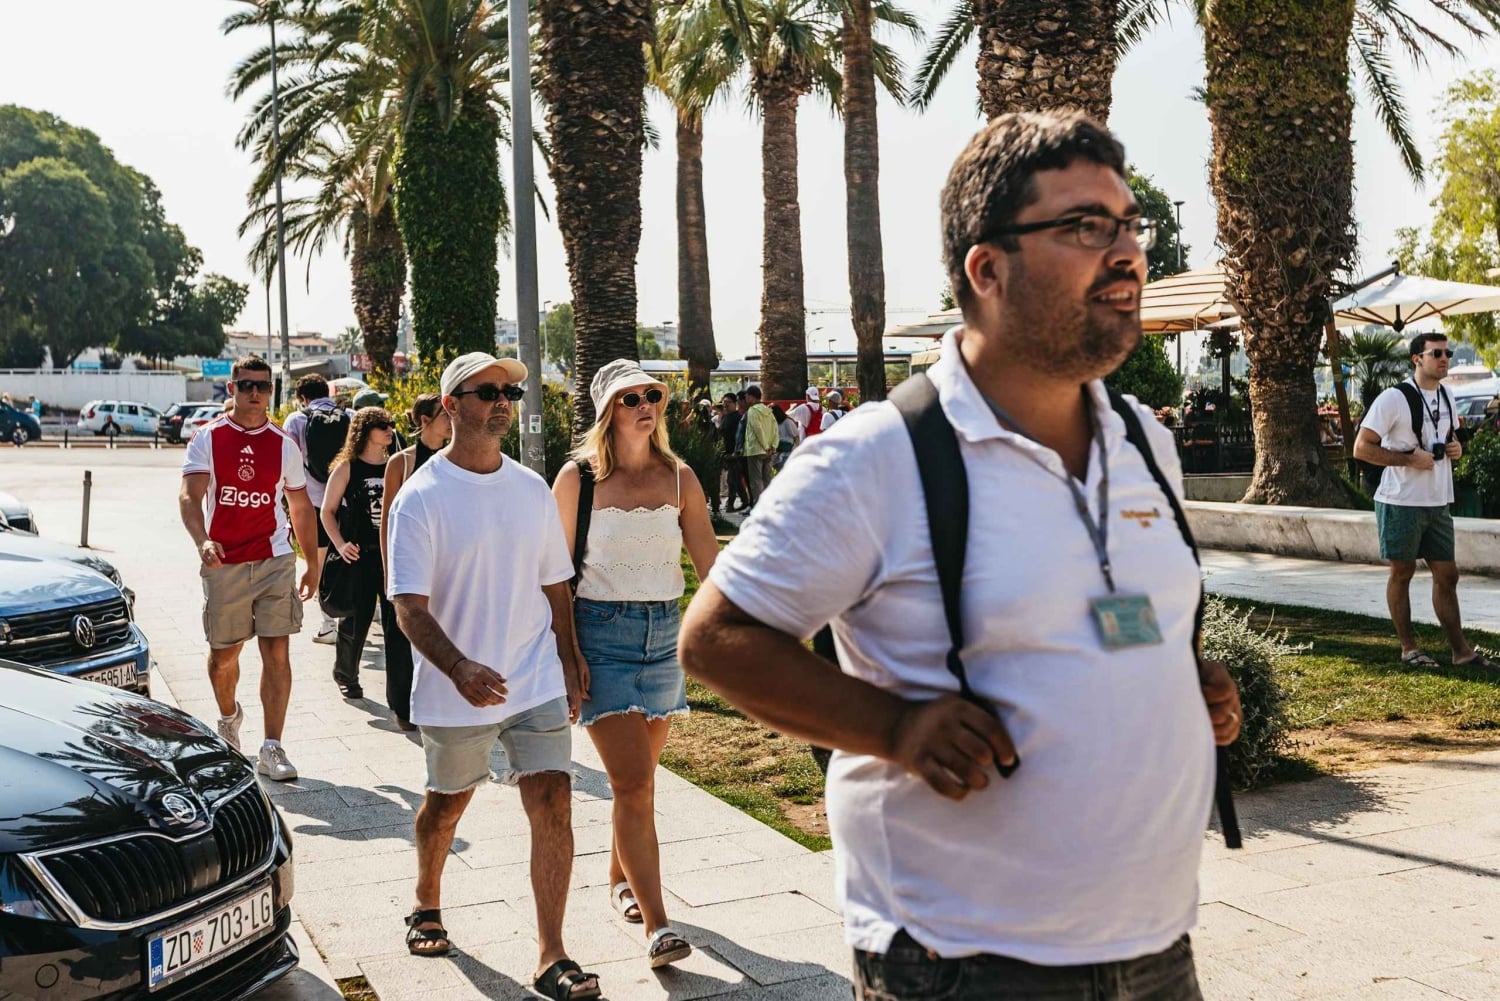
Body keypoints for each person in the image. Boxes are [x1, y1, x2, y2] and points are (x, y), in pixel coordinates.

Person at [679, 111, 1243, 1000]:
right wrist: (895, 729)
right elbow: (715, 639)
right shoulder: (880, 456)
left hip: (1158, 947)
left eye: (1129, 224)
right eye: (1084, 227)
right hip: (964, 959)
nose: (1128, 252)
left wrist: (1177, 678)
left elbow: (1097, 614)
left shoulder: (1145, 441)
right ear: (988, 268)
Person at [387, 352, 598, 999]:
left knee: (554, 800)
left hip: (532, 677)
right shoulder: (421, 498)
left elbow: (554, 583)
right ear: (451, 405)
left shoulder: (530, 488)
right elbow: (408, 608)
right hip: (458, 687)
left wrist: (568, 653)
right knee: (448, 805)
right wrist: (458, 666)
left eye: (509, 391)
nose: (503, 400)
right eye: (488, 391)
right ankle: (427, 900)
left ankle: (552, 954)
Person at [551, 360, 719, 969]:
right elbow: (553, 577)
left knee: (639, 783)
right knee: (632, 783)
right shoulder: (578, 480)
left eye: (653, 394)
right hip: (601, 637)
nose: (645, 404)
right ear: (607, 411)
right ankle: (658, 925)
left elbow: (710, 569)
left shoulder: (680, 478)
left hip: (665, 637)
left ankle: (620, 881)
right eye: (630, 398)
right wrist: (569, 656)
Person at [179, 355, 320, 782]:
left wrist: (311, 562)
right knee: (224, 656)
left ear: (271, 391)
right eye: (246, 385)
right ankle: (228, 717)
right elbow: (189, 496)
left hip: (275, 558)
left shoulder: (284, 444)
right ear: (232, 389)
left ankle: (272, 747)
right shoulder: (208, 438)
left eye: (263, 386)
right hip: (225, 562)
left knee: (277, 651)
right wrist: (202, 539)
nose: (255, 393)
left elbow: (299, 506)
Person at [1353, 333, 1496, 672]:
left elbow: (1447, 437)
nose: (1445, 358)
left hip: (1437, 500)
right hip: (1400, 500)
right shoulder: (1394, 398)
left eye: (1449, 352)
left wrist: (1456, 448)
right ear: (1417, 358)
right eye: (1437, 353)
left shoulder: (1447, 394)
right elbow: (1362, 448)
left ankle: (1461, 652)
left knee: (1447, 575)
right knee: (1402, 572)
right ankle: (1408, 648)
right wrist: (1407, 460)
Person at [379, 393, 453, 731]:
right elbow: (388, 521)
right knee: (399, 637)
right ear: (424, 421)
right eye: (444, 415)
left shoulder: (459, 459)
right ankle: (403, 709)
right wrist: (388, 568)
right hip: (408, 561)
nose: (451, 420)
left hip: (447, 562)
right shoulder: (402, 463)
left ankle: (444, 703)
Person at [320, 406, 398, 702]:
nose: (389, 429)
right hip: (358, 556)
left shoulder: (395, 465)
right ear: (364, 431)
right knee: (356, 620)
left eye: (390, 423)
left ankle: (399, 684)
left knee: (396, 621)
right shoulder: (348, 467)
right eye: (381, 424)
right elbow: (327, 512)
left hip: (389, 555)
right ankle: (346, 675)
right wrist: (340, 544)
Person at [284, 374, 351, 644]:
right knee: (347, 558)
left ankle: (327, 625)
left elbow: (289, 461)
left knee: (319, 563)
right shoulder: (349, 416)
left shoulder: (296, 420)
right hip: (346, 501)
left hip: (311, 502)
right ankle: (351, 619)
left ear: (303, 397)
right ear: (328, 392)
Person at [739, 385, 779, 504]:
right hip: (769, 451)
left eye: (746, 396)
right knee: (767, 478)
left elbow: (757, 428)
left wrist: (765, 446)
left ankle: (759, 506)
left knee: (756, 481)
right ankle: (770, 504)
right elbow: (775, 429)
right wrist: (773, 446)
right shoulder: (768, 411)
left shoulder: (752, 411)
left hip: (755, 449)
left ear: (751, 397)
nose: (745, 398)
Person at [718, 393, 749, 513]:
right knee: (735, 479)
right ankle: (745, 500)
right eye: (724, 402)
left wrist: (736, 451)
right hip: (726, 453)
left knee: (732, 479)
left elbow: (739, 436)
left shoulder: (738, 418)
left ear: (735, 403)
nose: (725, 405)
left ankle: (730, 503)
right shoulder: (725, 417)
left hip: (735, 454)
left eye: (728, 402)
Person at [771, 403, 800, 471]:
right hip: (777, 453)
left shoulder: (787, 422)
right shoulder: (774, 423)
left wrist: (796, 451)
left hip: (787, 453)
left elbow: (796, 436)